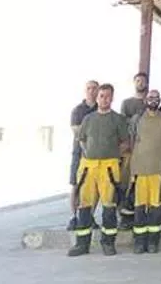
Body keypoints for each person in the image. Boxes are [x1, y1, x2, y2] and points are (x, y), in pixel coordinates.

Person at [68, 84, 130, 257]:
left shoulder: (118, 119)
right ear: (97, 98)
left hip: (109, 167)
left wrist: (113, 153)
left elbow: (125, 143)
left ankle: (108, 243)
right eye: (101, 96)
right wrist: (89, 153)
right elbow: (81, 139)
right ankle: (82, 244)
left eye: (107, 96)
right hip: (88, 166)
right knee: (85, 205)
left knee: (109, 205)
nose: (104, 99)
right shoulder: (88, 118)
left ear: (112, 98)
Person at [128, 89, 161, 254]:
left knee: (156, 207)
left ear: (160, 100)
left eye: (156, 97)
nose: (153, 100)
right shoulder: (137, 118)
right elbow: (131, 141)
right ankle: (139, 242)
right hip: (140, 171)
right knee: (140, 207)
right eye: (151, 97)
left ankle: (153, 242)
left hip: (159, 170)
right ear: (146, 100)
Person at [117, 72, 149, 230]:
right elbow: (122, 125)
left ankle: (141, 215)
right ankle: (123, 215)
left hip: (146, 152)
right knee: (126, 183)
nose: (140, 83)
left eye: (143, 81)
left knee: (142, 184)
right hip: (130, 151)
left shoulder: (151, 103)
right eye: (138, 81)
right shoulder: (126, 103)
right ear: (134, 82)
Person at [67, 80, 98, 230]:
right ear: (85, 91)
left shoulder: (102, 109)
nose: (92, 91)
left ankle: (90, 216)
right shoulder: (77, 111)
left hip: (98, 154)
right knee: (76, 184)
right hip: (79, 152)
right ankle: (74, 217)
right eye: (89, 88)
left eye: (94, 88)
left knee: (95, 187)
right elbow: (77, 132)